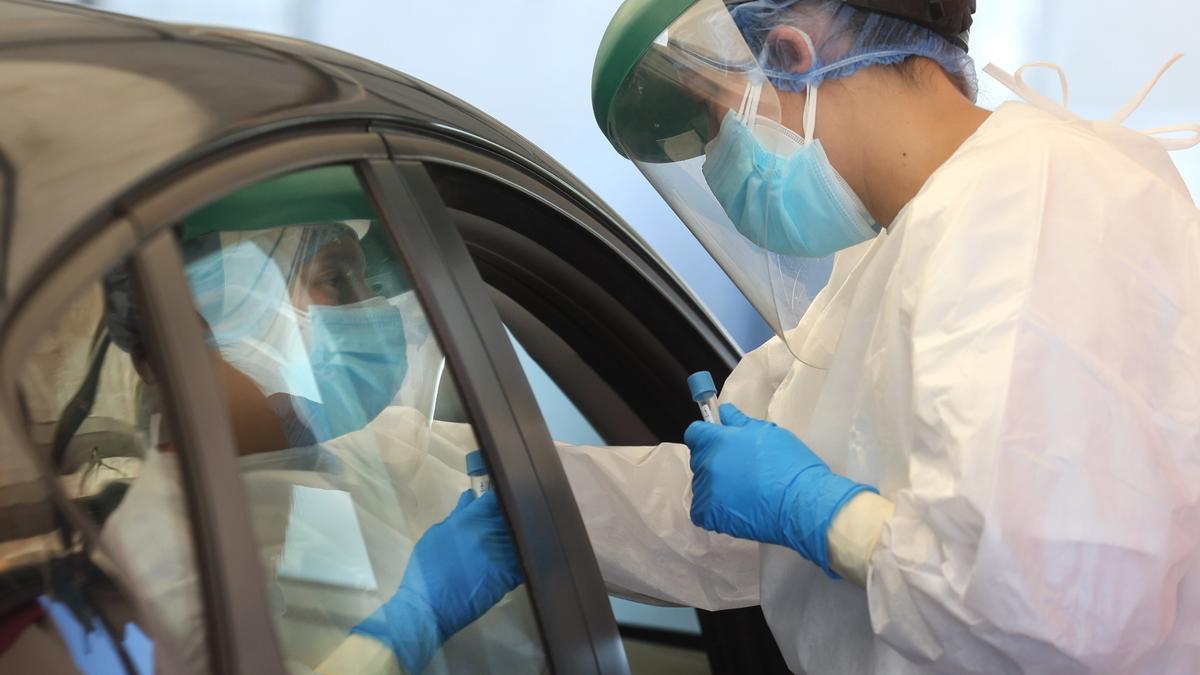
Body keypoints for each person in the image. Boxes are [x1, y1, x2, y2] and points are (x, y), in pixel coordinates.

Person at [562, 0, 1200, 672]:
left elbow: (1047, 609)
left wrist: (822, 513)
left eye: (718, 124)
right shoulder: (892, 252)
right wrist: (509, 499)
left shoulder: (1036, 208)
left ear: (788, 54)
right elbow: (730, 513)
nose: (723, 167)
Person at [97, 219, 536, 674]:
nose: (373, 305)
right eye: (334, 279)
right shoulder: (158, 562)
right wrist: (416, 619)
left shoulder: (340, 453)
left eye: (365, 280)